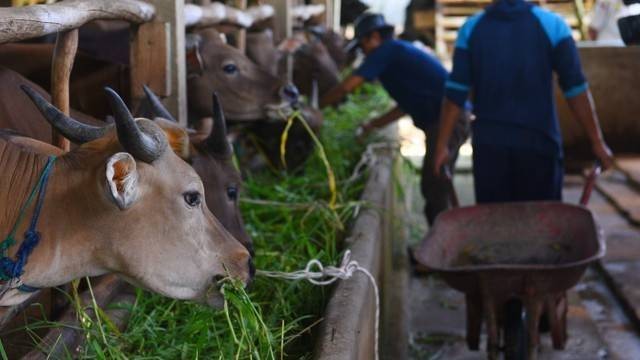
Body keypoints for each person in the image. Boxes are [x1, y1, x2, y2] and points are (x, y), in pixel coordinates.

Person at [433, 0, 614, 204]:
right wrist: (597, 142)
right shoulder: (553, 25)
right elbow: (576, 90)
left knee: (495, 226)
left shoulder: (472, 28)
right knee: (542, 226)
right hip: (539, 146)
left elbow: (455, 94)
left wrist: (442, 146)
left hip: (491, 150)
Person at [321, 13, 470, 225]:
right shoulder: (396, 54)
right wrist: (373, 125)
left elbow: (347, 86)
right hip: (446, 118)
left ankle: (444, 246)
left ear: (374, 37)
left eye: (362, 43)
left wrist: (316, 106)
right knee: (437, 183)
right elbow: (404, 107)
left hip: (449, 119)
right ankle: (445, 242)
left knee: (434, 185)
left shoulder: (386, 51)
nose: (362, 51)